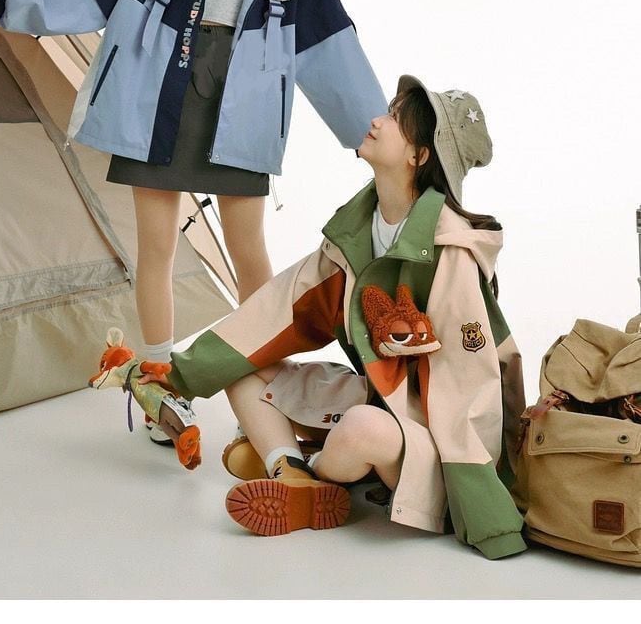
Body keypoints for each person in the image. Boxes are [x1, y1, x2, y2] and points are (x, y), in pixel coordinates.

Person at [0, 0, 386, 439]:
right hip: (163, 88)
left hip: (244, 94)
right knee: (156, 246)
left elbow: (326, 39)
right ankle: (160, 387)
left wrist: (377, 131)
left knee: (249, 248)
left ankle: (267, 387)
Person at [162, 75, 527, 559]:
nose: (376, 120)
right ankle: (294, 472)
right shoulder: (354, 233)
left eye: (394, 119)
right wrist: (176, 377)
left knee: (361, 429)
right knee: (245, 369)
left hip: (433, 437)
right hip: (378, 398)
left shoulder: (450, 250)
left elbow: (469, 383)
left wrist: (484, 511)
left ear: (420, 155)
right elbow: (277, 312)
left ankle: (301, 469)